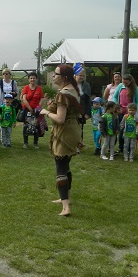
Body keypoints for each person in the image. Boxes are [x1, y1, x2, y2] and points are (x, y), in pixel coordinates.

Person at [45, 64, 82, 217]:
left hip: (65, 132)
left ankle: (66, 207)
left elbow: (60, 119)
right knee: (65, 165)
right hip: (73, 129)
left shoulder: (64, 94)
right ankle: (65, 198)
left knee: (60, 166)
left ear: (64, 77)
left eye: (56, 73)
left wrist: (45, 112)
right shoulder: (72, 90)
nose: (53, 76)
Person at [112, 73, 138, 152]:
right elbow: (114, 97)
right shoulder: (120, 86)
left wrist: (136, 111)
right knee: (121, 130)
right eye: (123, 82)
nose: (124, 84)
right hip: (121, 112)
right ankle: (121, 147)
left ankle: (128, 148)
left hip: (130, 113)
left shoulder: (135, 88)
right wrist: (116, 106)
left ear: (130, 81)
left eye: (126, 83)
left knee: (129, 130)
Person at [0, 68, 17, 143]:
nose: (5, 75)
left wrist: (13, 93)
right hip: (1, 103)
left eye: (7, 74)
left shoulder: (13, 82)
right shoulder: (0, 82)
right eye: (3, 74)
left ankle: (7, 138)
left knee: (8, 120)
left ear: (10, 74)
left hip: (9, 104)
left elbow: (16, 92)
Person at [21, 71, 44, 149]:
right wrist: (30, 108)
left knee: (36, 126)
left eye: (34, 78)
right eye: (31, 78)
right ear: (28, 79)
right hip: (27, 110)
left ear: (36, 79)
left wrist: (38, 108)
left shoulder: (39, 88)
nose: (32, 79)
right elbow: (24, 99)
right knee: (26, 126)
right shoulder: (26, 88)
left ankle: (35, 143)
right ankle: (25, 143)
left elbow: (41, 99)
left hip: (36, 110)